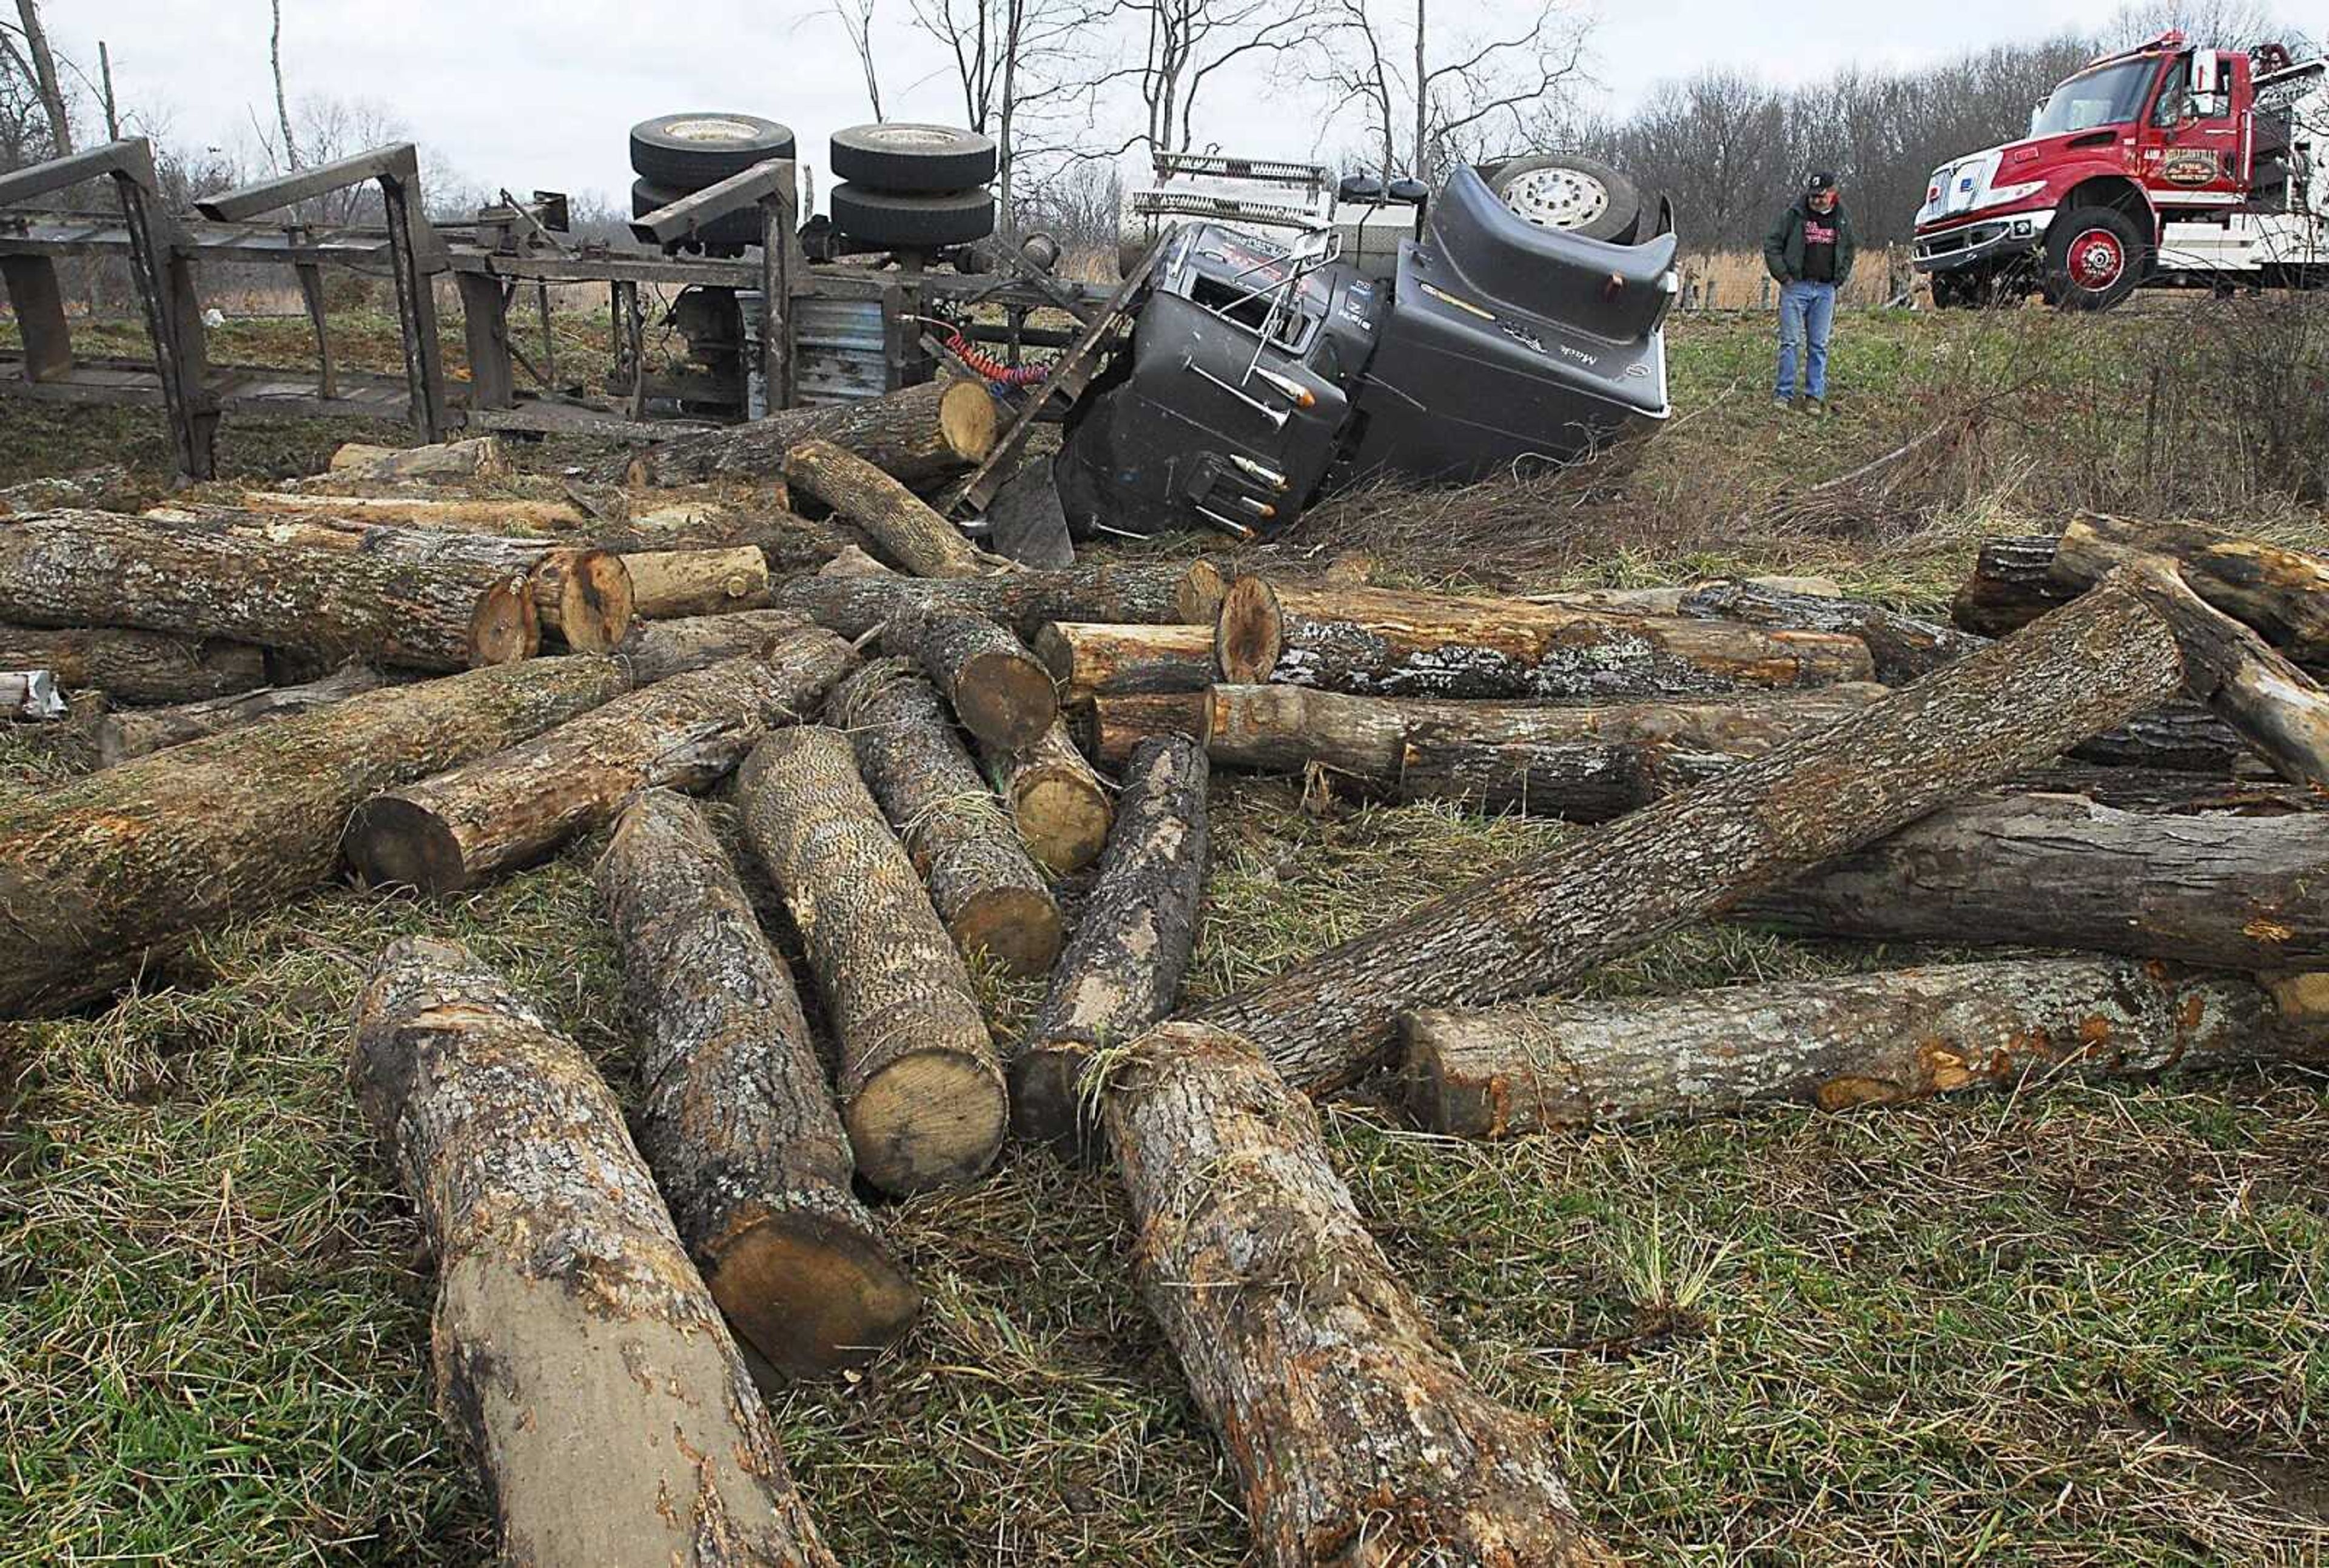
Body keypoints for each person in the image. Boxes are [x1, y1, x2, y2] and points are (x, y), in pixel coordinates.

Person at [1763, 170, 1855, 414]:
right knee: (1790, 342)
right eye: (1813, 196)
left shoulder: (1842, 218)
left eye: (1821, 196)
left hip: (1825, 289)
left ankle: (1814, 396)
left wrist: (1839, 278)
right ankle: (1784, 394)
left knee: (1819, 344)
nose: (1816, 201)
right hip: (1796, 287)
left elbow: (1849, 249)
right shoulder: (1794, 215)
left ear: (1833, 194)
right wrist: (1783, 276)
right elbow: (1772, 243)